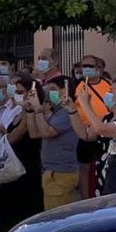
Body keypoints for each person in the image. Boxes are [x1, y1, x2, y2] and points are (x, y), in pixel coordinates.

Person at [0, 73, 43, 232]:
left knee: (22, 206)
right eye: (16, 91)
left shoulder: (29, 113)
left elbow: (15, 136)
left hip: (25, 166)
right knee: (6, 203)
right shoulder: (18, 111)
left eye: (21, 91)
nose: (18, 94)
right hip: (10, 164)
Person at [26, 74, 79, 210]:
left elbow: (47, 133)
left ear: (64, 91)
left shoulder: (65, 113)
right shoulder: (56, 113)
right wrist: (30, 110)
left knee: (55, 216)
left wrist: (38, 109)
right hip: (50, 171)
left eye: (53, 89)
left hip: (61, 172)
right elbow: (34, 133)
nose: (49, 93)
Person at [72, 55, 112, 199]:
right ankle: (85, 200)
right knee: (84, 168)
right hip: (85, 132)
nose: (86, 69)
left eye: (90, 66)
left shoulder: (108, 86)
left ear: (98, 68)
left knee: (104, 165)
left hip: (104, 132)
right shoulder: (76, 86)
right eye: (84, 66)